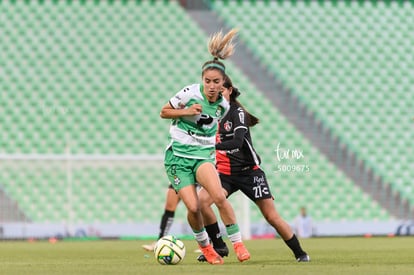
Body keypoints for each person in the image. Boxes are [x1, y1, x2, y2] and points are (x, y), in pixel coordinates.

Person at [159, 29, 250, 265]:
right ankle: (207, 247)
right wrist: (187, 111)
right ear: (202, 80)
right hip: (178, 158)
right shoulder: (189, 93)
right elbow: (163, 112)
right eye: (207, 81)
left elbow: (212, 128)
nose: (211, 86)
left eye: (216, 82)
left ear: (223, 85)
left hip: (202, 157)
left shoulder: (223, 105)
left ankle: (238, 244)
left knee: (219, 196)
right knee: (193, 206)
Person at [197, 75, 311, 262]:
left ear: (230, 91)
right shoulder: (210, 113)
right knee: (201, 202)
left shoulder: (237, 113)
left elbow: (238, 141)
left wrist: (211, 145)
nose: (217, 94)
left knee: (271, 216)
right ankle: (219, 247)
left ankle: (300, 253)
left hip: (250, 172)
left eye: (221, 90)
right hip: (224, 174)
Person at [142, 185, 180, 251]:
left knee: (196, 209)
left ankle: (203, 244)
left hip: (195, 180)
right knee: (169, 208)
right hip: (178, 178)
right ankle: (160, 241)